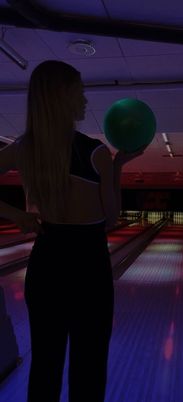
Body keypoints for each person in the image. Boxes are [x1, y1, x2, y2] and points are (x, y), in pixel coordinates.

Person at [0, 60, 146, 402]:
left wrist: (17, 216)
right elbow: (111, 217)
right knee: (89, 367)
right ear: (63, 96)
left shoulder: (24, 148)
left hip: (46, 261)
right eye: (79, 91)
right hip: (88, 264)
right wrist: (119, 166)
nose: (84, 99)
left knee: (45, 367)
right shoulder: (96, 153)